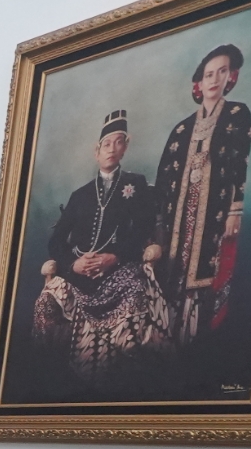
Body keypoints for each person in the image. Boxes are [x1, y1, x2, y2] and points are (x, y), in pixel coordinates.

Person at [30, 109, 170, 393]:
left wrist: (114, 256)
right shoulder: (79, 195)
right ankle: (46, 379)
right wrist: (73, 264)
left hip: (120, 269)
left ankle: (129, 387)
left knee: (134, 309)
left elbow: (143, 228)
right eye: (107, 144)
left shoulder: (136, 184)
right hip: (78, 274)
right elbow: (56, 242)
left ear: (125, 146)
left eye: (119, 142)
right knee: (44, 304)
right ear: (97, 151)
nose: (112, 149)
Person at [153, 43, 251, 355]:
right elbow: (165, 177)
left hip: (214, 211)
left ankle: (197, 344)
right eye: (209, 73)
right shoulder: (182, 128)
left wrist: (235, 211)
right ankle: (169, 339)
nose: (214, 79)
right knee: (174, 273)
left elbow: (239, 164)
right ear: (199, 82)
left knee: (205, 274)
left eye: (221, 72)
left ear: (230, 77)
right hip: (179, 215)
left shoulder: (237, 114)